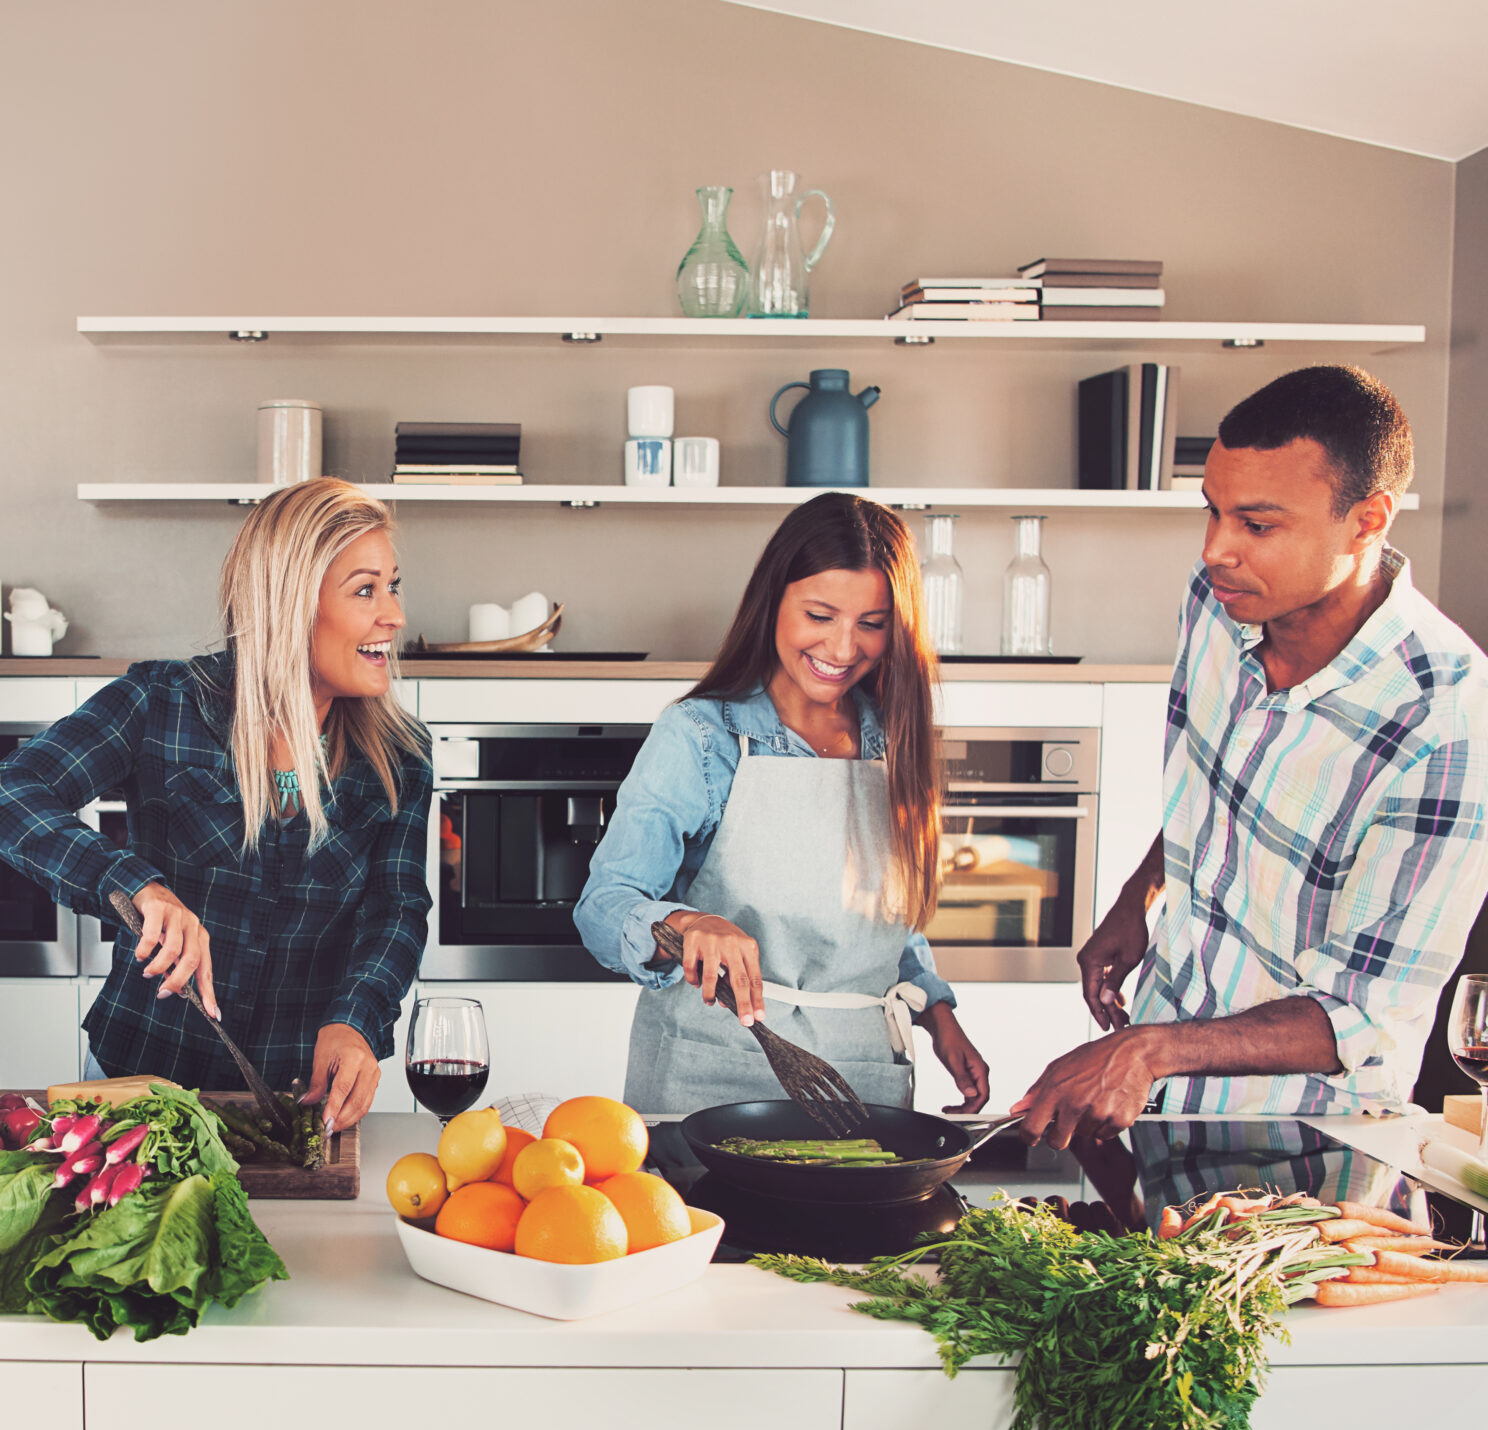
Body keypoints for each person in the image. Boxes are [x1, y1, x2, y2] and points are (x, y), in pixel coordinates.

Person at [1014, 366, 1488, 1143]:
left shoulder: (1445, 720)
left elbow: (1365, 1015)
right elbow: (1215, 780)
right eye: (1212, 513)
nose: (1215, 551)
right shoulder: (1217, 607)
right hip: (1166, 1093)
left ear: (1368, 520)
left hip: (1310, 1140)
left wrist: (1147, 1049)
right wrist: (1140, 896)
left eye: (1257, 525)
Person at [0, 477, 432, 1130]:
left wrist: (354, 1021)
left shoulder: (400, 756)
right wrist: (136, 886)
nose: (396, 616)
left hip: (302, 1103)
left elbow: (396, 910)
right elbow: (3, 797)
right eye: (365, 590)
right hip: (145, 1082)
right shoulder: (162, 703)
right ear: (291, 603)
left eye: (394, 585)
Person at [573, 492, 987, 1114]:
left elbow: (879, 921)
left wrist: (938, 1013)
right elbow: (604, 906)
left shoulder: (894, 738)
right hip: (708, 1074)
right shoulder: (701, 736)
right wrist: (687, 925)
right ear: (774, 602)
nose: (844, 649)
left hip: (861, 1079)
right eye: (820, 615)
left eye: (871, 624)